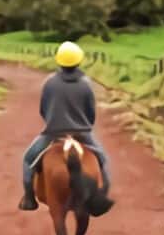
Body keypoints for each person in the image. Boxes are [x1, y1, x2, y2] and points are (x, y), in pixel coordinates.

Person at [18, 41, 110, 211]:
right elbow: (91, 112)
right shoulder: (86, 83)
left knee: (27, 160)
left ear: (59, 61)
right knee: (103, 160)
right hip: (82, 132)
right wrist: (85, 125)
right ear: (79, 61)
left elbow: (43, 109)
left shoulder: (49, 83)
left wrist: (52, 121)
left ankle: (30, 199)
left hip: (53, 132)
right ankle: (101, 197)